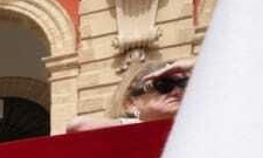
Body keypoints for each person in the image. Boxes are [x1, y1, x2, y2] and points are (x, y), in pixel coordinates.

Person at [66, 57, 194, 133]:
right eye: (164, 85)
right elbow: (78, 126)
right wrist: (143, 125)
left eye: (182, 83)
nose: (177, 91)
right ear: (131, 104)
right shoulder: (119, 139)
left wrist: (193, 64)